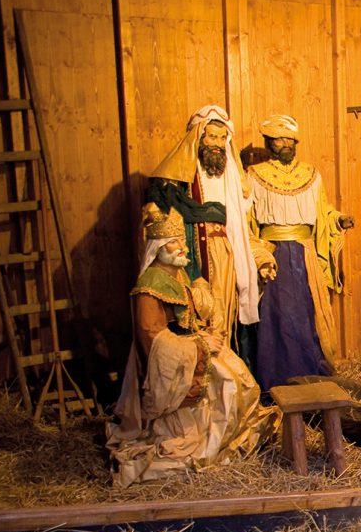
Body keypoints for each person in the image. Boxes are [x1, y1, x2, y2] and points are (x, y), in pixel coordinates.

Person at [107, 203, 276, 487]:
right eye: (174, 242)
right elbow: (152, 336)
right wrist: (199, 347)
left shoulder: (177, 275)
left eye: (181, 241)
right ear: (158, 247)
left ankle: (228, 435)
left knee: (242, 378)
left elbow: (191, 316)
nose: (182, 247)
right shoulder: (150, 285)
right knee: (227, 383)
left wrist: (207, 328)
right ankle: (204, 439)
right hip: (176, 363)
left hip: (194, 346)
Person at [145, 105, 272, 348]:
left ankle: (228, 358)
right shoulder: (181, 174)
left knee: (228, 311)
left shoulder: (231, 176)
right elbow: (164, 216)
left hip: (227, 253)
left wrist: (260, 256)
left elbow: (241, 226)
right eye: (212, 136)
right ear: (199, 137)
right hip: (193, 253)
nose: (217, 144)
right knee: (202, 311)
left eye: (223, 138)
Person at [245, 114, 354, 393]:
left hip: (305, 254)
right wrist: (258, 255)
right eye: (279, 139)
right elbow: (248, 220)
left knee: (307, 312)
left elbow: (322, 212)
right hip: (274, 254)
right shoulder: (254, 175)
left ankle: (311, 378)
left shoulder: (311, 174)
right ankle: (277, 381)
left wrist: (338, 220)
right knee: (277, 315)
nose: (285, 144)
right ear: (268, 142)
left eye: (289, 140)